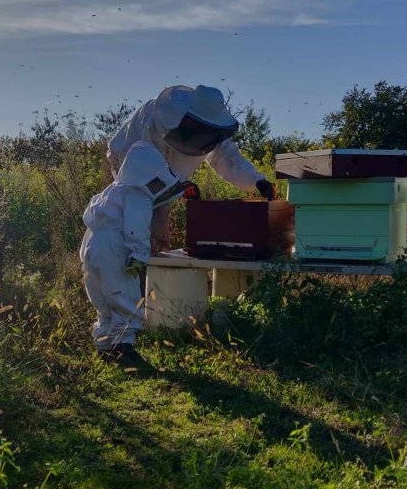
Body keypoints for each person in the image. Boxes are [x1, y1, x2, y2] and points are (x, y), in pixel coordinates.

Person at [107, 85, 276, 251]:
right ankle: (130, 268)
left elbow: (230, 161)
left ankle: (153, 273)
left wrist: (257, 181)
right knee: (132, 223)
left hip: (164, 175)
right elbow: (146, 165)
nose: (201, 133)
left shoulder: (211, 129)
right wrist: (179, 185)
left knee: (157, 239)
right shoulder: (155, 117)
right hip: (128, 167)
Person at [80, 140, 191, 364]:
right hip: (115, 247)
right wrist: (139, 255)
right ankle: (124, 349)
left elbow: (89, 218)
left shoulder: (110, 191)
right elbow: (136, 227)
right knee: (124, 294)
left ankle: (105, 348)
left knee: (102, 300)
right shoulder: (137, 195)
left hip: (91, 245)